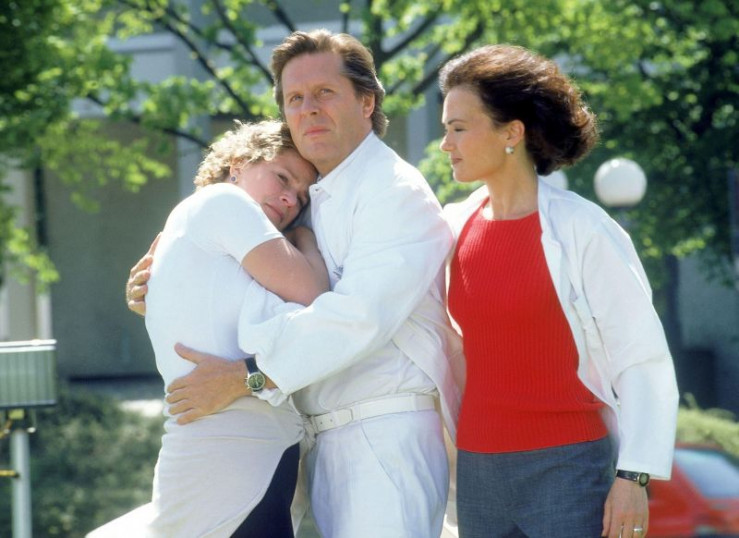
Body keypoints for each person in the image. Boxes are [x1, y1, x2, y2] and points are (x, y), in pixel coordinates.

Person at [126, 30, 464, 538]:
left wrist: (248, 376)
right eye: (294, 98)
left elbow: (357, 317)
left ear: (367, 102)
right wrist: (158, 286)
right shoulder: (311, 200)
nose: (308, 109)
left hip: (382, 435)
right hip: (315, 440)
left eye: (325, 92)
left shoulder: (394, 192)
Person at [439, 44, 679, 538]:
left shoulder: (584, 228)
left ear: (512, 133)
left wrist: (633, 475)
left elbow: (641, 356)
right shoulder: (451, 226)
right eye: (445, 129)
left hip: (567, 468)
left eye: (458, 128)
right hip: (478, 469)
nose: (446, 144)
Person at [94, 120, 327, 538]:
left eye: (302, 196)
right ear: (238, 164)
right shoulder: (223, 202)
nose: (291, 198)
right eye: (282, 177)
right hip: (229, 462)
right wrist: (305, 236)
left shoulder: (213, 237)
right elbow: (314, 296)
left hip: (238, 459)